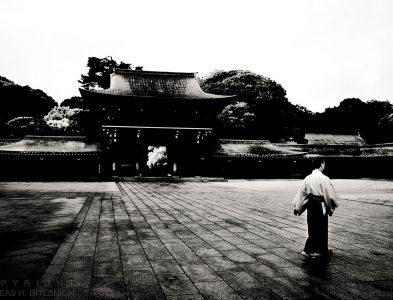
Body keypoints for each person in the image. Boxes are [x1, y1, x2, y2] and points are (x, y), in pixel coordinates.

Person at [292, 157, 339, 259]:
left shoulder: (308, 178)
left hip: (311, 204)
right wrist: (330, 207)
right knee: (321, 227)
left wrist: (297, 206)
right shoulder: (324, 178)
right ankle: (309, 249)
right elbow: (329, 195)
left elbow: (302, 193)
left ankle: (322, 249)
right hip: (321, 204)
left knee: (313, 226)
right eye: (324, 163)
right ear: (321, 164)